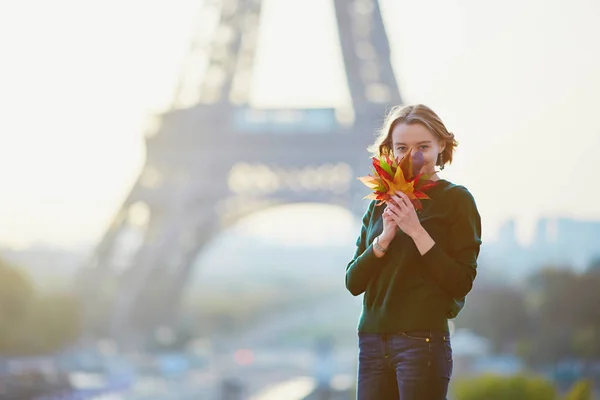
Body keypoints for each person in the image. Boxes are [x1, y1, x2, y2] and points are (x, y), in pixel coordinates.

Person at [346, 104, 482, 399]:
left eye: (423, 146)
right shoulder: (379, 204)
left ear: (441, 145)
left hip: (422, 341)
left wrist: (416, 230)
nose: (412, 156)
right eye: (402, 147)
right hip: (372, 342)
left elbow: (461, 282)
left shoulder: (456, 200)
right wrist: (384, 238)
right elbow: (353, 282)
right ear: (390, 151)